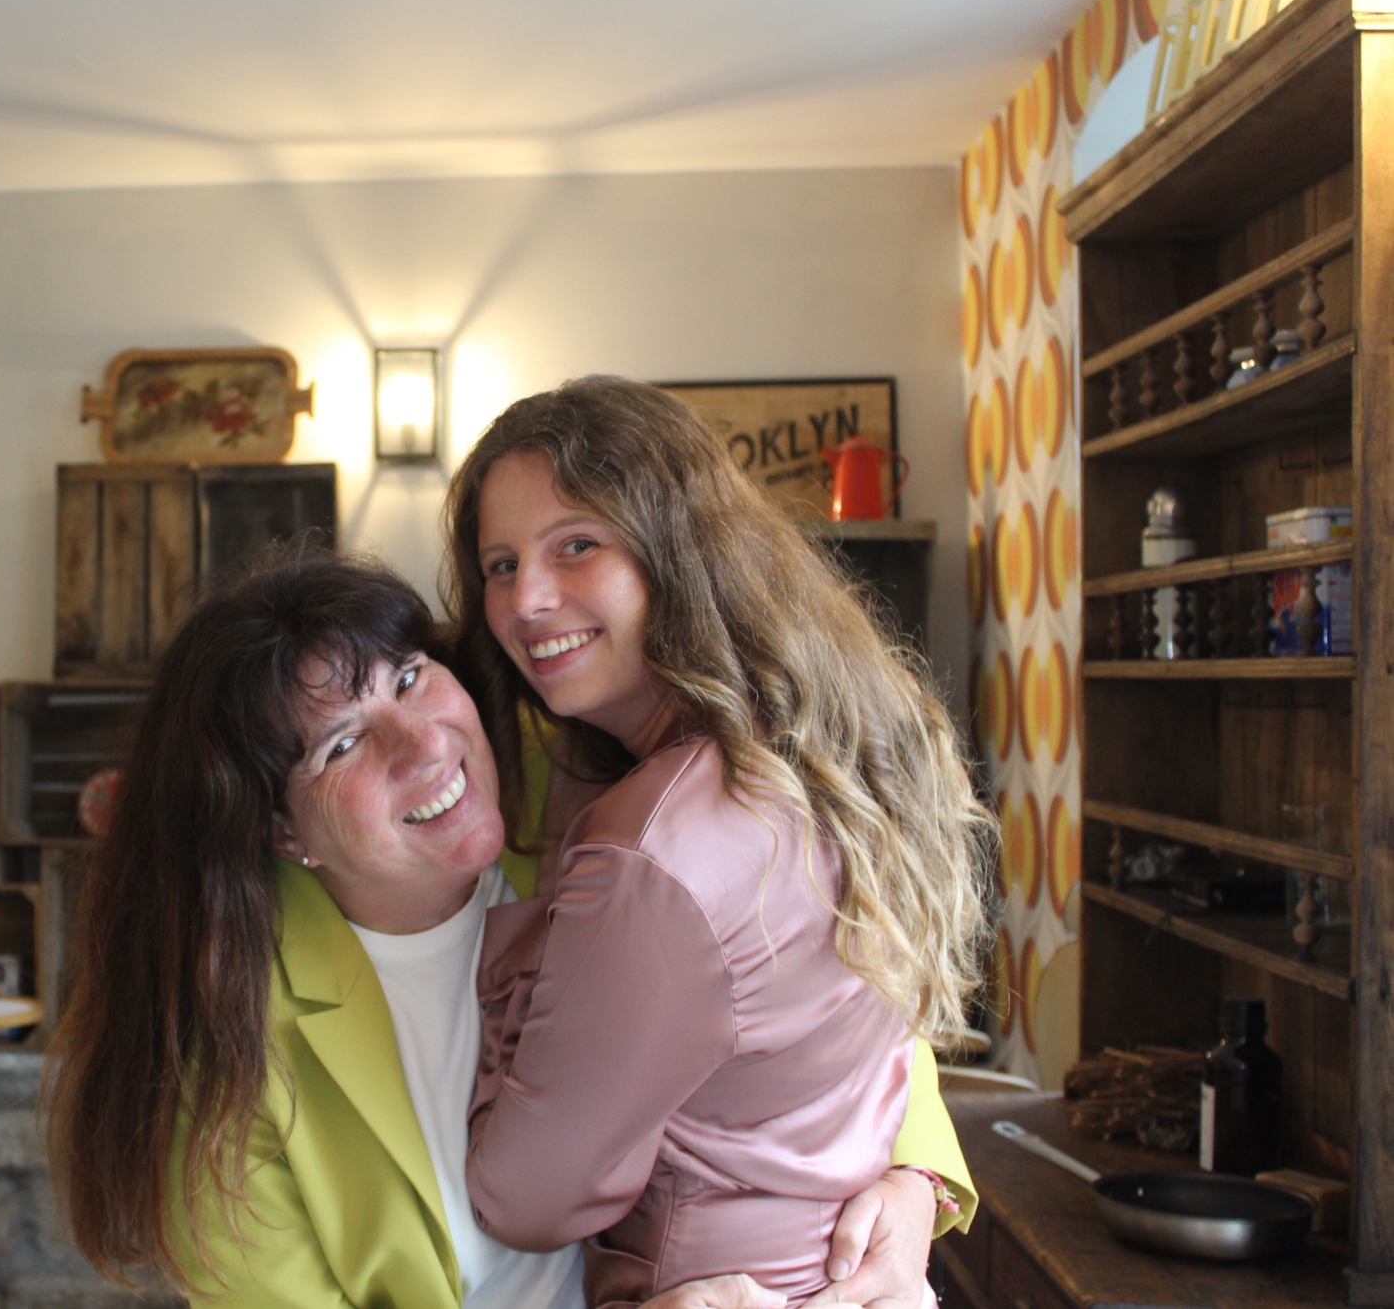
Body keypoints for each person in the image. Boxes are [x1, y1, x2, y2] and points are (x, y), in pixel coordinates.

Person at [48, 551, 975, 1309]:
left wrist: (914, 1181)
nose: (424, 744)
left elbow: (827, 965)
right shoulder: (227, 1058)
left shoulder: (597, 802)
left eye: (410, 678)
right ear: (281, 833)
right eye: (342, 743)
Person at [444, 377, 993, 1307]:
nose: (527, 599)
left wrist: (916, 1178)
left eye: (576, 545)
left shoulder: (689, 811)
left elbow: (873, 1012)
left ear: (679, 549)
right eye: (500, 564)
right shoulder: (827, 732)